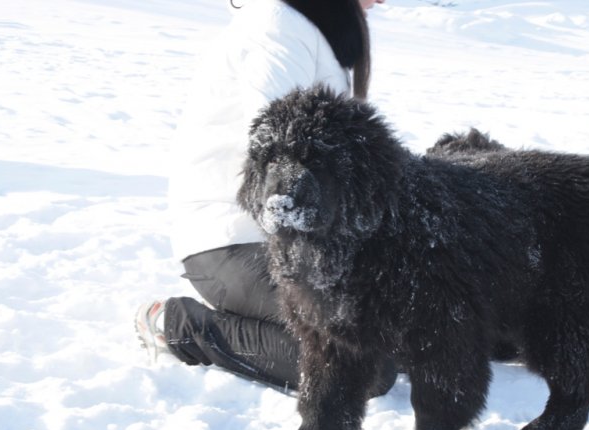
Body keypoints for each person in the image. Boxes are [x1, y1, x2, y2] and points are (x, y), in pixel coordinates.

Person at [135, 0, 395, 397]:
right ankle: (180, 326)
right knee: (361, 366)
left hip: (296, 242)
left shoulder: (312, 30)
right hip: (232, 243)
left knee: (409, 328)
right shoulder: (278, 26)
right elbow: (285, 152)